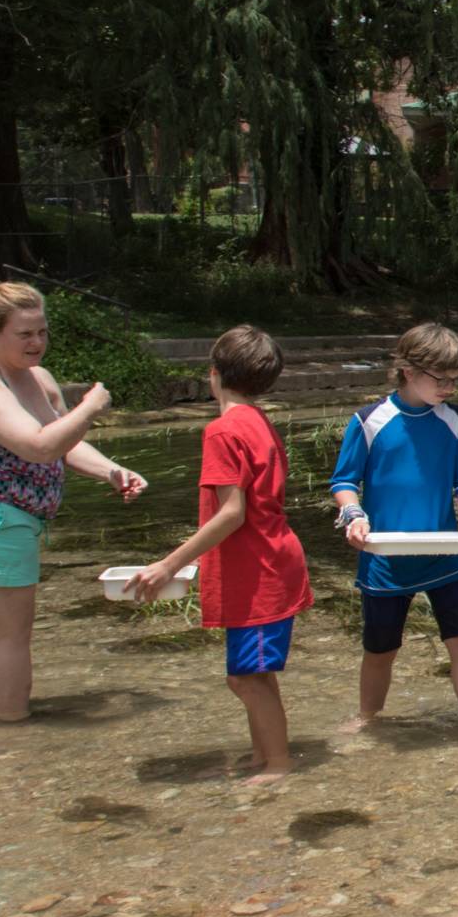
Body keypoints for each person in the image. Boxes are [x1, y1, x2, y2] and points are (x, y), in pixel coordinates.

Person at [0, 280, 145, 721]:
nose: (37, 343)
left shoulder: (34, 379)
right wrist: (90, 408)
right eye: (24, 334)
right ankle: (13, 731)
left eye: (42, 332)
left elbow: (63, 441)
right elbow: (40, 447)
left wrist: (110, 471)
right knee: (11, 636)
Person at [132, 327, 310, 783]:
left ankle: (278, 763)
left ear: (213, 374)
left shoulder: (222, 430)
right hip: (272, 561)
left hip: (259, 572)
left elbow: (232, 513)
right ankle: (262, 754)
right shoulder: (259, 422)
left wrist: (170, 564)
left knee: (246, 679)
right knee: (255, 674)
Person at [327, 322, 458, 737]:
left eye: (456, 380)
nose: (450, 388)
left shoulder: (456, 420)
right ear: (407, 370)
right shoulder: (369, 421)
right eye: (441, 379)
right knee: (381, 649)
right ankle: (367, 720)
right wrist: (354, 516)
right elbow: (344, 482)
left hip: (445, 554)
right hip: (385, 559)